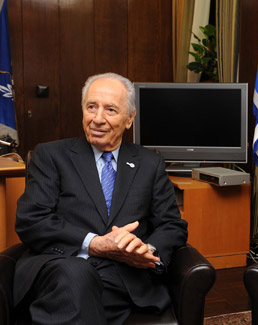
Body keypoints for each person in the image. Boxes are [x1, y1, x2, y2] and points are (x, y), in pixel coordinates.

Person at [13, 72, 188, 324]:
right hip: (63, 263)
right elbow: (32, 220)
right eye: (91, 107)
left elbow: (172, 225)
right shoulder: (51, 156)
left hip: (124, 274)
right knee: (76, 275)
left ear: (129, 119)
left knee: (77, 294)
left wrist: (145, 249)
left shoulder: (149, 163)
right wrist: (94, 243)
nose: (97, 119)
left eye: (110, 110)